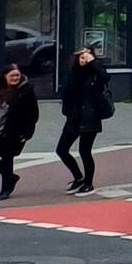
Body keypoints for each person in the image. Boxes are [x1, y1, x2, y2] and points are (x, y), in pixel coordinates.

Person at [54, 45, 113, 194]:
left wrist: (93, 62)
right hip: (74, 117)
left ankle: (88, 183)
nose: (83, 60)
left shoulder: (96, 74)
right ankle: (78, 177)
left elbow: (105, 77)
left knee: (84, 151)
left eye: (86, 57)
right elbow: (67, 93)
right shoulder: (73, 72)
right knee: (61, 150)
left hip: (90, 117)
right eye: (81, 57)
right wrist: (67, 110)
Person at [0, 63, 40, 202]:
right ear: (5, 76)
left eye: (17, 75)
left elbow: (33, 114)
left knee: (7, 159)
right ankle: (10, 177)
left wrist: (25, 133)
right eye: (12, 75)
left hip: (12, 133)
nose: (15, 78)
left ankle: (5, 189)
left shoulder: (26, 91)